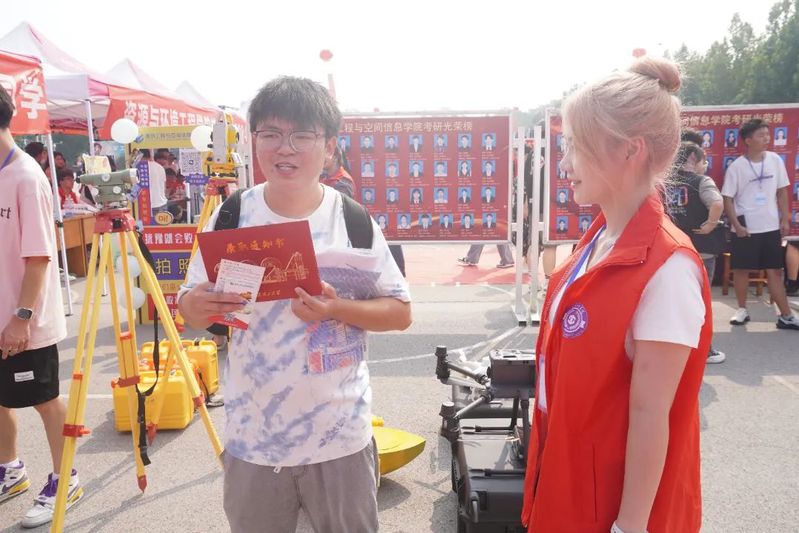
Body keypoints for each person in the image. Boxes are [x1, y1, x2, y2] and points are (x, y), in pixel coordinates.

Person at [177, 76, 411, 533]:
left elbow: (401, 313)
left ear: (329, 147)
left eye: (302, 136)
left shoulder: (353, 220)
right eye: (271, 134)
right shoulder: (231, 216)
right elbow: (189, 307)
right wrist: (198, 306)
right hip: (253, 440)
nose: (285, 149)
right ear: (254, 141)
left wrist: (336, 309)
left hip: (341, 438)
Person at [523, 57, 712, 533]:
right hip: (567, 478)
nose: (564, 163)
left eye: (576, 146)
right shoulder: (598, 240)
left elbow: (652, 415)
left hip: (610, 506)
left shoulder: (668, 269)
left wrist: (629, 527)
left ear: (630, 150)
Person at [0, 87, 82, 528]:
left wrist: (21, 318)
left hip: (24, 320)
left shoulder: (27, 178)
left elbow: (38, 256)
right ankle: (10, 470)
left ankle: (65, 477)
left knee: (45, 400)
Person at [722, 118, 799, 330]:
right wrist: (736, 225)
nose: (767, 138)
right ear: (748, 140)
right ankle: (742, 309)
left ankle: (785, 316)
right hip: (745, 227)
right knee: (742, 270)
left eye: (767, 134)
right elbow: (727, 199)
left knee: (774, 270)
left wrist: (785, 218)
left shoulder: (775, 160)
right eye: (761, 135)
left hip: (770, 227)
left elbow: (782, 191)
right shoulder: (737, 167)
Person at [666, 142, 726, 363]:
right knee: (700, 300)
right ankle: (704, 350)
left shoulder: (663, 183)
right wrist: (711, 224)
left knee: (673, 298)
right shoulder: (702, 181)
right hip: (701, 250)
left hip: (671, 249)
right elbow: (717, 203)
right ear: (693, 158)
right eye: (703, 160)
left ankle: (673, 347)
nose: (705, 165)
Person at [139, 149, 168, 218]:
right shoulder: (160, 167)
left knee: (147, 225)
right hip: (162, 203)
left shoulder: (140, 168)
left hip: (149, 205)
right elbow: (164, 187)